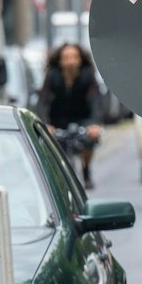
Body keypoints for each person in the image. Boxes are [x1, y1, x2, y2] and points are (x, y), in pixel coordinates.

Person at [37, 42, 103, 188]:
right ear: (60, 61)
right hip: (58, 119)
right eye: (66, 58)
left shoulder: (87, 74)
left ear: (80, 60)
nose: (70, 62)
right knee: (51, 143)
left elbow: (95, 100)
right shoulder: (52, 75)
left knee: (89, 141)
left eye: (74, 57)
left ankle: (86, 170)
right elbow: (43, 101)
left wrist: (94, 123)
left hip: (82, 118)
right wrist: (46, 124)